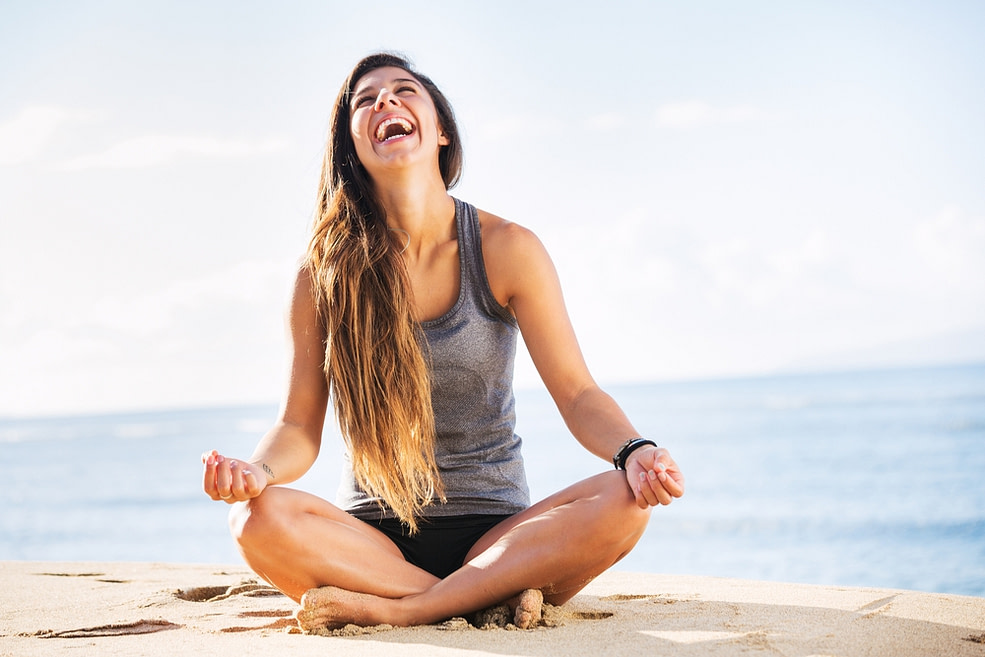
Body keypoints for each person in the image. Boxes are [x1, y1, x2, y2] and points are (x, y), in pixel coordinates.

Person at [201, 51, 684, 631]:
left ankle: (407, 610)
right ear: (351, 143)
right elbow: (299, 425)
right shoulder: (323, 273)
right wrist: (257, 472)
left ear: (442, 132)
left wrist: (636, 453)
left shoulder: (507, 248)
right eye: (365, 99)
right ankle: (477, 599)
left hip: (499, 535)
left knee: (625, 502)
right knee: (254, 520)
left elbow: (578, 394)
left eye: (404, 90)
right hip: (371, 543)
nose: (385, 101)